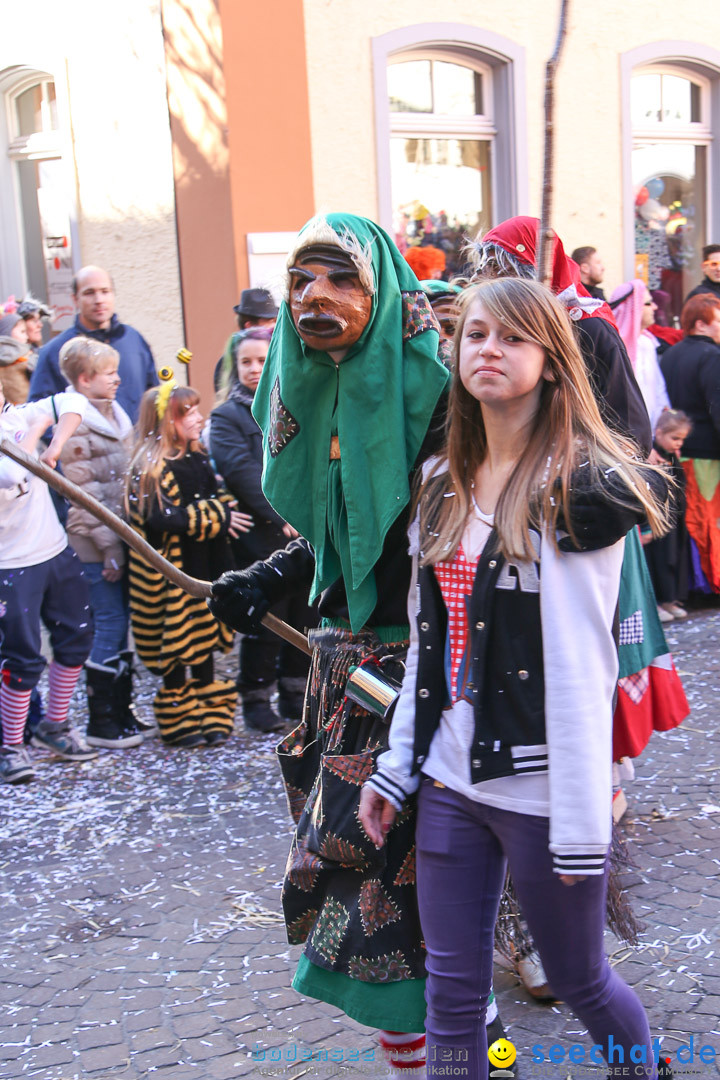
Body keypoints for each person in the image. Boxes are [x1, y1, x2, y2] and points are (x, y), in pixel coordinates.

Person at [359, 277, 669, 1080]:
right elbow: (433, 648)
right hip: (453, 778)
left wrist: (580, 820)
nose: (488, 350)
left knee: (577, 977)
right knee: (452, 992)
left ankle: (644, 1072)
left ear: (552, 361)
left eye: (512, 338)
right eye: (475, 335)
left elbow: (580, 665)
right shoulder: (439, 482)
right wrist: (398, 768)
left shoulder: (576, 496)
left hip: (542, 789)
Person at [209, 212, 450, 1073]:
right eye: (302, 281)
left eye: (340, 279)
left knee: (411, 903)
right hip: (340, 679)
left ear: (382, 293)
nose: (316, 298)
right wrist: (269, 578)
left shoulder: (445, 395)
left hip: (428, 683)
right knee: (369, 897)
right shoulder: (320, 393)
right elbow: (339, 532)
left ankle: (469, 1053)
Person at [126, 381, 251, 747]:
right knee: (178, 645)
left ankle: (210, 714)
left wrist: (222, 508)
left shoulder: (196, 456)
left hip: (207, 564)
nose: (199, 418)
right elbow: (163, 519)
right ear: (166, 422)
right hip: (173, 576)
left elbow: (217, 495)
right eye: (190, 412)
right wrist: (217, 514)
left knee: (205, 640)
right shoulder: (149, 468)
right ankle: (180, 716)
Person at [210, 327, 316, 733]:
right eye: (246, 362)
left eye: (261, 360)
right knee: (265, 619)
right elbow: (242, 471)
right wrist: (284, 511)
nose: (255, 369)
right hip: (260, 533)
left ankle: (295, 692)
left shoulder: (294, 402)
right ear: (234, 368)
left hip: (303, 528)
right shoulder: (227, 416)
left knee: (305, 616)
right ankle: (255, 697)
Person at [472, 218, 652, 453]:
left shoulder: (588, 328)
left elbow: (629, 424)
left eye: (500, 268)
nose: (489, 280)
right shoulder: (491, 333)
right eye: (487, 268)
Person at [0, 385, 97, 784]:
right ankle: (10, 746)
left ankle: (54, 726)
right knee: (22, 656)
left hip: (53, 550)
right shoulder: (26, 421)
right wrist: (38, 425)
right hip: (9, 564)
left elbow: (75, 402)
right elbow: (12, 474)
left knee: (77, 637)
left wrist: (52, 442)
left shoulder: (19, 415)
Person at [57, 337, 144, 750]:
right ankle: (102, 721)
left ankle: (122, 711)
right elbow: (84, 495)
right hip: (95, 544)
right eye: (109, 373)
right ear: (84, 379)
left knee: (121, 622)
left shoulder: (114, 412)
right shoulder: (75, 424)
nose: (118, 379)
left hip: (119, 538)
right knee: (108, 623)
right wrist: (110, 548)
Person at [29, 266, 157, 424]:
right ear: (75, 299)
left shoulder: (134, 340)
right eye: (89, 293)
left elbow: (154, 397)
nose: (99, 300)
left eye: (105, 291)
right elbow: (38, 413)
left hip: (136, 445)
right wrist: (70, 444)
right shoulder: (56, 350)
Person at [660, 293, 720, 593]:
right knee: (707, 517)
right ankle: (709, 581)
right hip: (708, 451)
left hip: (679, 449)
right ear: (701, 324)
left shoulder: (670, 354)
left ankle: (692, 583)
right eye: (718, 321)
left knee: (690, 517)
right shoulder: (712, 357)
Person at [643, 410, 692, 624]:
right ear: (659, 433)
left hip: (673, 517)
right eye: (675, 438)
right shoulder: (651, 454)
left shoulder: (672, 456)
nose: (678, 444)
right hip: (656, 517)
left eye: (682, 439)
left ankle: (670, 599)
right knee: (657, 559)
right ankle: (656, 601)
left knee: (673, 558)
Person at [609, 280, 670, 428]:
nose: (655, 307)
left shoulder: (648, 343)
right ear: (632, 308)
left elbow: (658, 390)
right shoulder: (612, 346)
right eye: (648, 303)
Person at [214, 287, 279, 395]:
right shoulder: (226, 363)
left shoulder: (280, 353)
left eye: (262, 361)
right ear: (249, 326)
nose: (275, 326)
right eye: (269, 322)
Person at [0, 307, 34, 405]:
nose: (26, 337)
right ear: (7, 331)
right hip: (25, 410)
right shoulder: (27, 357)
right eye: (22, 332)